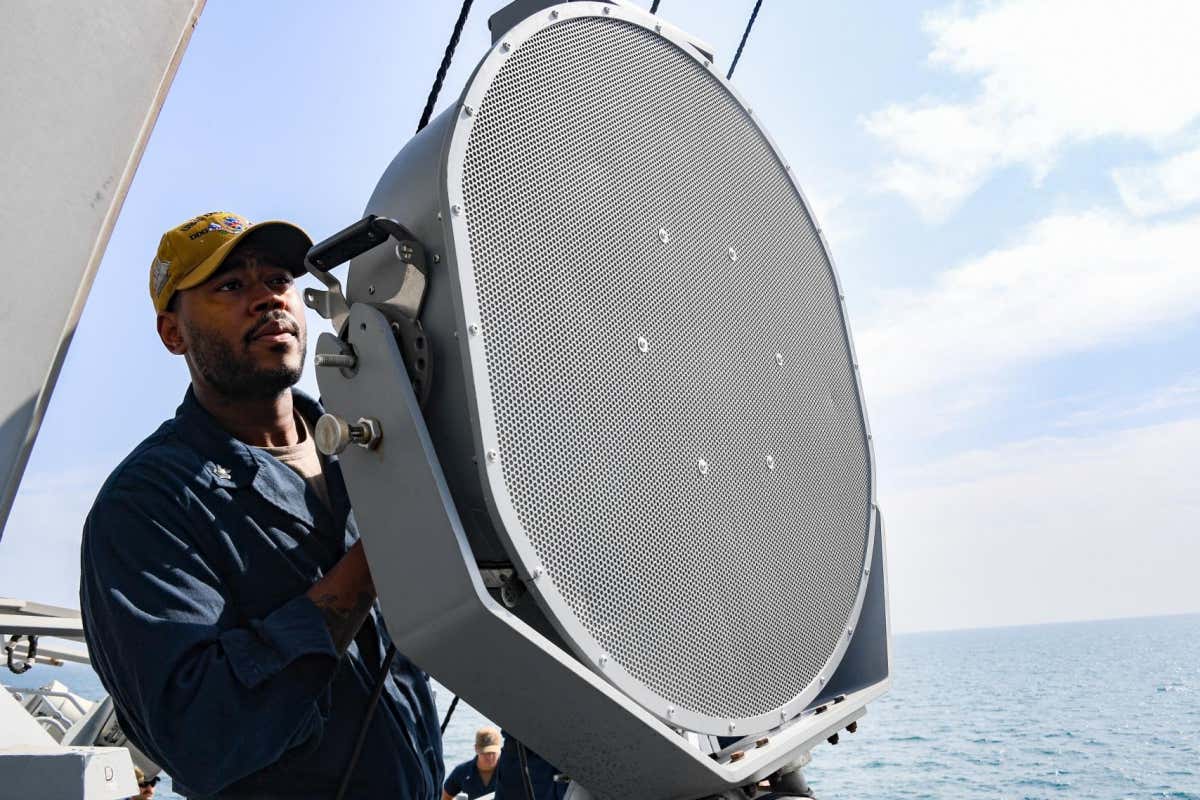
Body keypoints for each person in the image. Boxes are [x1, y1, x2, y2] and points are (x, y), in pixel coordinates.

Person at [80, 211, 443, 798]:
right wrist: (376, 557)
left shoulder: (374, 450)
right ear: (173, 333)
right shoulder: (145, 506)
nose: (267, 299)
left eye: (279, 279)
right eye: (230, 286)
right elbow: (199, 733)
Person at [441, 727, 502, 800]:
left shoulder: (510, 771)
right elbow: (446, 797)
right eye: (485, 752)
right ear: (476, 748)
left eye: (493, 752)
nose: (490, 757)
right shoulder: (462, 771)